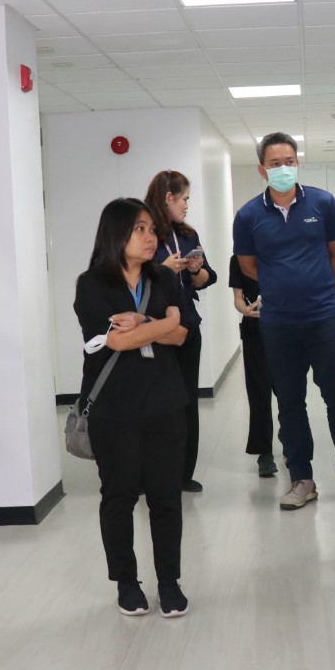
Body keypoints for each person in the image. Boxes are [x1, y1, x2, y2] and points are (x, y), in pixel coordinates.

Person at [232, 132, 335, 511]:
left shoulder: (323, 203)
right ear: (262, 169)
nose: (283, 169)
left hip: (323, 317)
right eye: (275, 163)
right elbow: (248, 266)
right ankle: (301, 479)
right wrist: (283, 285)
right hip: (277, 323)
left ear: (298, 163)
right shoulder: (248, 216)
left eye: (289, 161)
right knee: (290, 402)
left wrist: (312, 285)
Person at [73, 198, 191, 617]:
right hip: (114, 409)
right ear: (115, 233)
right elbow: (118, 342)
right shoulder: (92, 284)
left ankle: (169, 582)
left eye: (151, 229)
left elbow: (182, 335)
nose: (150, 236)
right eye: (139, 229)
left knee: (166, 497)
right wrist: (163, 323)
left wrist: (144, 324)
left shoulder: (164, 278)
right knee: (119, 496)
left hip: (165, 403)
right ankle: (126, 582)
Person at [146, 170, 214, 494]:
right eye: (184, 198)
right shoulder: (144, 233)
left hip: (187, 327)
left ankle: (184, 473)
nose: (187, 205)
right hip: (153, 330)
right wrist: (163, 270)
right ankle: (151, 473)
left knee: (187, 401)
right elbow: (132, 278)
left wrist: (196, 270)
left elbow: (206, 279)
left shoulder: (188, 234)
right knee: (154, 402)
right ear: (168, 198)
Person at [229, 254, 278, 478]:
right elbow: (238, 298)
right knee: (259, 391)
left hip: (284, 327)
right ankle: (264, 453)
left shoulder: (280, 254)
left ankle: (291, 438)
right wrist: (245, 310)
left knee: (288, 389)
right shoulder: (238, 260)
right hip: (254, 330)